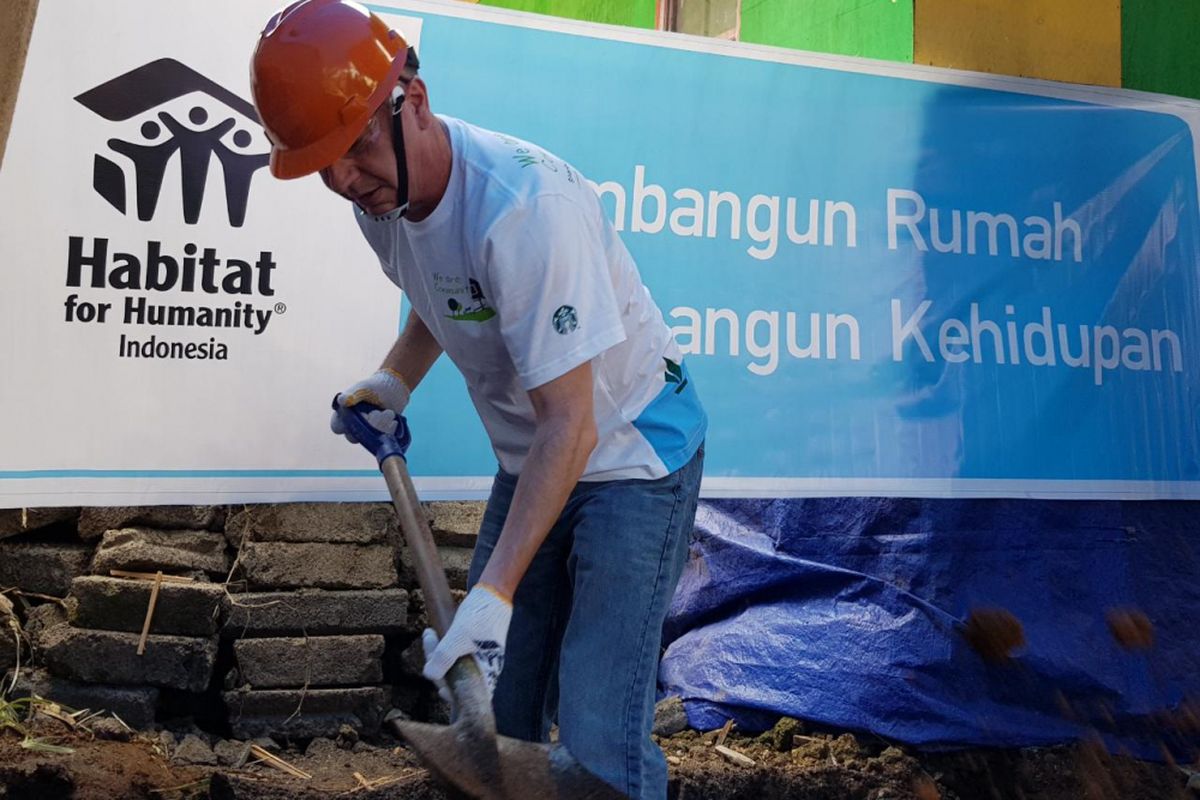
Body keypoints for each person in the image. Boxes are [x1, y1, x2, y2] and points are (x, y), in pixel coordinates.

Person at [250, 2, 706, 797]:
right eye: (323, 163)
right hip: (538, 454)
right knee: (501, 715)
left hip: (633, 454)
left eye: (355, 146)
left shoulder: (526, 212)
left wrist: (494, 594)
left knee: (599, 734)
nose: (345, 179)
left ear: (412, 102)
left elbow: (574, 422)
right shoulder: (378, 201)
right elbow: (444, 291)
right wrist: (394, 379)